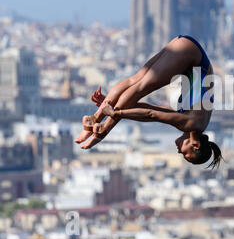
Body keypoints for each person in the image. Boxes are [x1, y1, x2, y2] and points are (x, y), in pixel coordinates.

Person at [74, 35, 223, 169]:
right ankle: (100, 132)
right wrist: (115, 113)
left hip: (188, 48)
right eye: (185, 154)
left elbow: (148, 110)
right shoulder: (191, 124)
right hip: (190, 55)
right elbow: (151, 114)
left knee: (136, 80)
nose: (179, 152)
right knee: (141, 86)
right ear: (195, 145)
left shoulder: (193, 124)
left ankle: (92, 121)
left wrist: (111, 105)